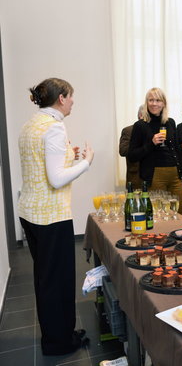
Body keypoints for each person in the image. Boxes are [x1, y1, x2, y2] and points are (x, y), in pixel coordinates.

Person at [18, 78, 94, 355]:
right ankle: (59, 342)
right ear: (61, 98)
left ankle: (59, 333)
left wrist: (67, 157)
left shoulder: (32, 124)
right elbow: (56, 179)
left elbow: (41, 165)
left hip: (31, 213)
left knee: (46, 278)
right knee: (57, 280)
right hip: (51, 216)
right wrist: (85, 162)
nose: (73, 101)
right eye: (71, 96)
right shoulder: (54, 127)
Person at [128, 87, 182, 215]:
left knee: (179, 213)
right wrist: (151, 143)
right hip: (155, 175)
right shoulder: (140, 125)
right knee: (159, 214)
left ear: (163, 103)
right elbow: (132, 155)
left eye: (158, 100)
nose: (154, 103)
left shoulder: (170, 122)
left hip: (175, 174)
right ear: (146, 103)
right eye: (151, 100)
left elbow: (177, 151)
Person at [119, 105, 143, 190]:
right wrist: (138, 142)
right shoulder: (128, 130)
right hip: (135, 177)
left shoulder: (154, 130)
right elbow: (123, 151)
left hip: (154, 177)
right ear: (140, 115)